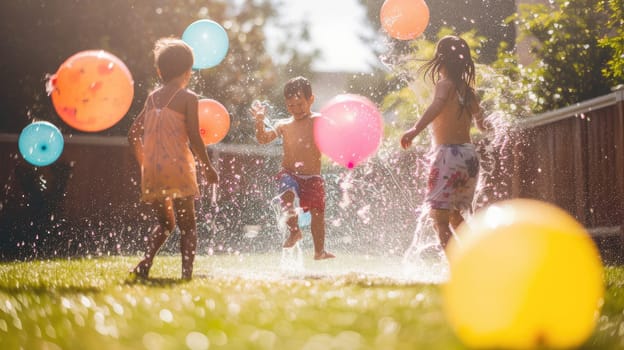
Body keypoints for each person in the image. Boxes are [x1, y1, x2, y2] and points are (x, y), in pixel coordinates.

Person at [128, 37, 219, 280]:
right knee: (188, 225)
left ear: (159, 71)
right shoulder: (188, 98)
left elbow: (132, 134)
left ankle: (145, 264)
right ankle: (186, 274)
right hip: (178, 168)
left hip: (153, 172)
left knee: (166, 223)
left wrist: (145, 164)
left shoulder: (151, 98)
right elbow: (195, 138)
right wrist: (207, 167)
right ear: (189, 71)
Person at [400, 35, 488, 250]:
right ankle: (474, 257)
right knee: (456, 217)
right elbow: (483, 123)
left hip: (448, 157)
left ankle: (458, 267)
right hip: (469, 158)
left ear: (440, 60)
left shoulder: (444, 85)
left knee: (439, 219)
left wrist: (415, 129)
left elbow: (436, 107)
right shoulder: (469, 92)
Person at [250, 76, 335, 260]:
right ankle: (294, 231)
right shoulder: (284, 125)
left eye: (300, 104)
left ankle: (319, 250)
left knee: (318, 213)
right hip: (289, 173)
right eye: (290, 105)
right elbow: (263, 139)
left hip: (312, 177)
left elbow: (335, 134)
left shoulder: (317, 120)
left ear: (311, 99)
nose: (295, 109)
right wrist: (259, 121)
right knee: (286, 194)